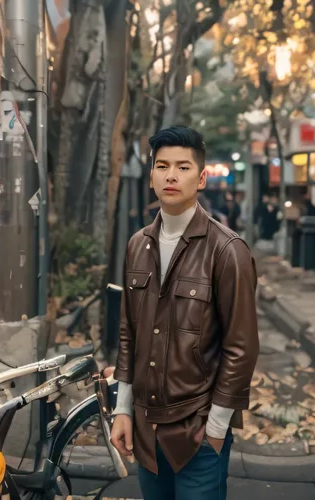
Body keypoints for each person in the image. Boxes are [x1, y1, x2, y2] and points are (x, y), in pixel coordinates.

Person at [111, 126, 259, 500]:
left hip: (197, 431)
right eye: (162, 166)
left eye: (183, 167)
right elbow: (129, 331)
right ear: (151, 177)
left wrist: (216, 428)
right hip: (145, 427)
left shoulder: (227, 250)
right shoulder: (137, 245)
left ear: (202, 177)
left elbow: (241, 347)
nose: (171, 175)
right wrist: (122, 409)